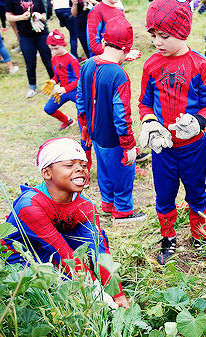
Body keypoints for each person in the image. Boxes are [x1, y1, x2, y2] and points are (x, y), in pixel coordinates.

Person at [1, 137, 130, 309]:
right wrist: (98, 294)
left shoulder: (85, 206)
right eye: (69, 165)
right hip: (22, 256)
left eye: (83, 165)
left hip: (55, 250)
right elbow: (63, 254)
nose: (80, 170)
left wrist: (117, 293)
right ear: (47, 173)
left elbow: (99, 251)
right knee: (63, 292)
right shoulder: (30, 205)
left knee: (97, 240)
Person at [140, 0, 206, 265]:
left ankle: (199, 235)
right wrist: (150, 123)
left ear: (183, 31)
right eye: (154, 36)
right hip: (163, 149)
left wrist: (197, 122)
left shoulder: (200, 65)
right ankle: (168, 238)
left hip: (193, 147)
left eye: (164, 35)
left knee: (196, 191)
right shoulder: (151, 65)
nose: (158, 42)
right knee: (164, 194)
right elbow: (144, 103)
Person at [77, 16, 146, 224]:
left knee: (104, 169)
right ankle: (123, 211)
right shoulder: (119, 75)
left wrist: (84, 127)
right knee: (124, 173)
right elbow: (121, 114)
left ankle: (107, 204)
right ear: (127, 49)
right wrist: (129, 145)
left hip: (95, 134)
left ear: (104, 41)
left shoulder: (88, 64)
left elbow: (80, 99)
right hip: (114, 138)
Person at [6, 0, 54, 98]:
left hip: (41, 33)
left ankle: (55, 83)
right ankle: (32, 87)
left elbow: (44, 16)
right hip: (25, 36)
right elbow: (8, 16)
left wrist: (39, 16)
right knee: (30, 63)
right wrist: (21, 17)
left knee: (48, 61)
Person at [40, 29, 78, 131]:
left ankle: (89, 127)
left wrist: (66, 89)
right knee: (48, 108)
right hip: (62, 91)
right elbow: (57, 75)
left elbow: (79, 79)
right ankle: (67, 121)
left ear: (63, 45)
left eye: (55, 48)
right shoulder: (54, 58)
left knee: (84, 109)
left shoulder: (72, 60)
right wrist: (53, 81)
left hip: (74, 90)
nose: (53, 52)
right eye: (51, 49)